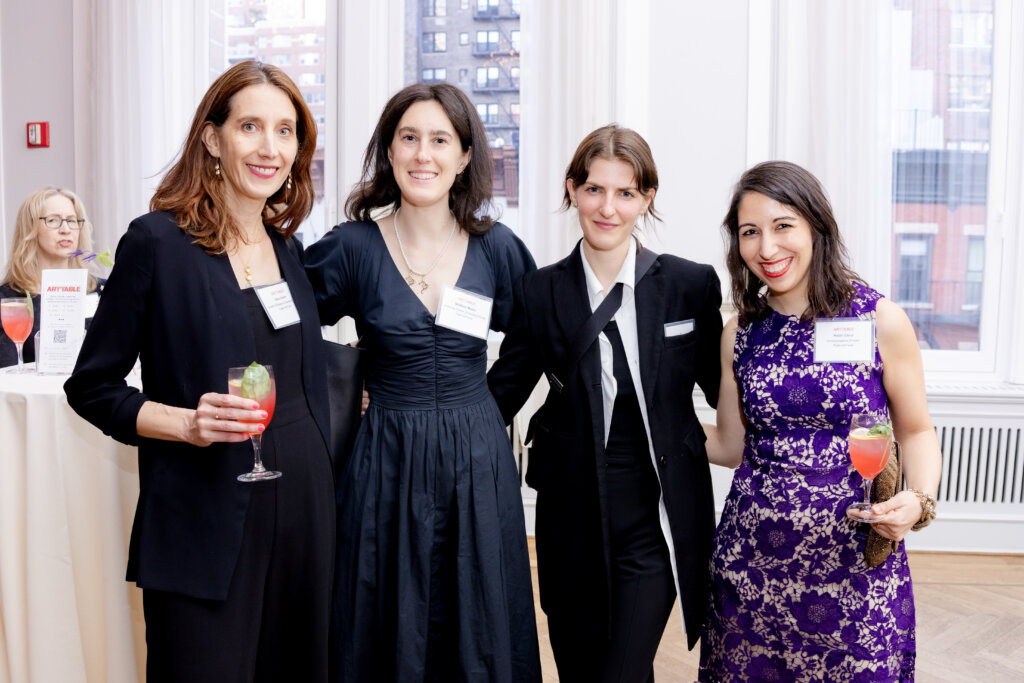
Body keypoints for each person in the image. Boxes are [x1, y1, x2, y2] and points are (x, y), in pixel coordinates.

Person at [64, 60, 335, 682]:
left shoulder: (288, 248)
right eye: (250, 126)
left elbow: (293, 365)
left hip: (303, 517)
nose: (270, 148)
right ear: (213, 138)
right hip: (203, 518)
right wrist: (186, 423)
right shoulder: (157, 243)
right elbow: (91, 387)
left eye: (286, 130)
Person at [304, 82, 541, 682]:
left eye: (440, 140)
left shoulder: (497, 248)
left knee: (479, 615)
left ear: (465, 156)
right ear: (389, 151)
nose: (422, 154)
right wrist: (347, 378)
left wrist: (488, 406)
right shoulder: (351, 246)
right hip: (384, 452)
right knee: (382, 611)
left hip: (477, 456)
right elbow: (292, 328)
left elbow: (535, 336)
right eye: (408, 138)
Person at [487, 124, 725, 682]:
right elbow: (501, 392)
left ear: (646, 199)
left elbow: (726, 389)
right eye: (594, 189)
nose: (608, 208)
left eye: (625, 193)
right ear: (572, 190)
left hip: (656, 515)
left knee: (621, 668)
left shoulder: (689, 286)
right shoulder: (539, 291)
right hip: (568, 513)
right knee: (580, 667)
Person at [698, 161, 942, 681]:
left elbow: (917, 430)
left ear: (816, 225)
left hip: (854, 566)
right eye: (749, 232)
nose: (766, 248)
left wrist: (917, 502)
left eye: (782, 225)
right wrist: (640, 419)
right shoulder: (739, 333)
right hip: (752, 566)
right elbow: (728, 445)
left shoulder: (879, 319)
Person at [1, 186, 103, 367]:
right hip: (33, 395)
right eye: (53, 220)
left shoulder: (103, 291)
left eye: (72, 221)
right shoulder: (7, 300)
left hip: (94, 394)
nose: (66, 229)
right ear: (30, 228)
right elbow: (6, 374)